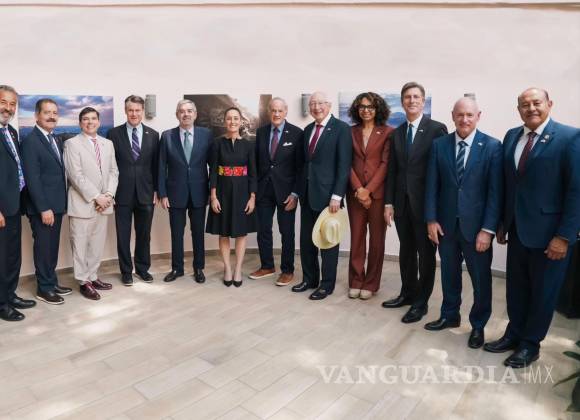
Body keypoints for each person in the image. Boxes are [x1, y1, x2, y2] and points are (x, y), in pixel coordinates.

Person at [484, 88, 580, 368]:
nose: (531, 108)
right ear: (518, 110)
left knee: (543, 293)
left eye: (536, 103)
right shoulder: (512, 136)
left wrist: (564, 236)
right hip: (517, 231)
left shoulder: (570, 137)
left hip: (551, 237)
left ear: (550, 104)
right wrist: (502, 222)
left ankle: (530, 344)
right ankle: (513, 334)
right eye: (524, 105)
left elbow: (576, 192)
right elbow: (509, 183)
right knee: (516, 289)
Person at [423, 97, 503, 349]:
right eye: (460, 115)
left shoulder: (492, 146)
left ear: (478, 116)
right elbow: (432, 186)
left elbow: (495, 193)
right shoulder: (439, 145)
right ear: (452, 116)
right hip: (445, 225)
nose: (464, 119)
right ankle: (449, 315)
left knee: (480, 279)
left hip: (477, 229)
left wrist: (488, 230)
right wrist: (431, 219)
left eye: (469, 115)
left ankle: (478, 325)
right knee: (448, 273)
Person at [383, 82, 448, 323]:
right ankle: (407, 293)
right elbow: (393, 170)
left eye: (416, 97)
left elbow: (442, 171)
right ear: (402, 102)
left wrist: (436, 209)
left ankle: (421, 303)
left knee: (426, 255)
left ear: (423, 101)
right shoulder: (397, 132)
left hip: (425, 205)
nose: (411, 101)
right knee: (406, 251)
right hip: (401, 204)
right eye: (407, 97)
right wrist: (388, 203)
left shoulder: (436, 129)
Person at [292, 91, 352, 300]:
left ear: (329, 105)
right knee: (307, 240)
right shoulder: (308, 130)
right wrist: (297, 192)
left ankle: (327, 285)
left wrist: (337, 196)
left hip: (329, 198)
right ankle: (309, 279)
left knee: (328, 241)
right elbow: (303, 165)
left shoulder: (342, 129)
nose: (316, 107)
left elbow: (344, 166)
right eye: (312, 104)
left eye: (320, 103)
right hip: (307, 194)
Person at [64, 107, 119, 300]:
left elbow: (113, 171)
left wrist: (109, 195)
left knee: (96, 244)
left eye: (93, 118)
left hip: (104, 203)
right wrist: (97, 196)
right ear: (80, 123)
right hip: (83, 203)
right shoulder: (72, 144)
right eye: (85, 119)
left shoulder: (108, 144)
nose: (90, 122)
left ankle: (93, 276)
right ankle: (83, 281)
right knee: (80, 245)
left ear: (99, 121)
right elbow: (75, 175)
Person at [21, 98, 72, 304]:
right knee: (43, 249)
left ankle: (51, 281)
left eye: (54, 113)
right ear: (37, 115)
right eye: (47, 112)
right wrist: (43, 208)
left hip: (56, 206)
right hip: (43, 208)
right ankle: (44, 288)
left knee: (51, 247)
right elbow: (32, 179)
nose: (51, 116)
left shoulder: (54, 139)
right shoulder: (31, 142)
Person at [249, 97, 304, 286]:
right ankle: (267, 266)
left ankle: (287, 270)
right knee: (263, 230)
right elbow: (256, 164)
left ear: (286, 111)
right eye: (273, 110)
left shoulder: (297, 133)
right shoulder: (261, 132)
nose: (277, 114)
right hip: (263, 190)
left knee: (286, 232)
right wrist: (253, 191)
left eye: (280, 110)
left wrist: (295, 194)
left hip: (287, 193)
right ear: (269, 112)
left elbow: (301, 167)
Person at [107, 95, 159, 286]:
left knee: (144, 234)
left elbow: (157, 166)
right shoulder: (113, 134)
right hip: (122, 193)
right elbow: (109, 166)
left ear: (142, 111)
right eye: (131, 110)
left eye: (137, 110)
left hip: (146, 193)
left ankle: (143, 269)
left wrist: (157, 191)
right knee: (123, 235)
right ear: (125, 111)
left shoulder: (153, 135)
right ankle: (126, 271)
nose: (134, 114)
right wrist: (110, 192)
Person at [158, 99, 212, 284]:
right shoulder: (167, 136)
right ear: (177, 115)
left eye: (189, 111)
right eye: (182, 111)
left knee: (197, 233)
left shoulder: (206, 135)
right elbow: (161, 167)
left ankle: (199, 268)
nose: (186, 114)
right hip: (175, 193)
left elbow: (213, 165)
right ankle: (177, 268)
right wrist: (163, 194)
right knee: (176, 233)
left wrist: (212, 192)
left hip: (199, 192)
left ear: (195, 114)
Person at [347, 92, 393, 300]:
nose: (366, 110)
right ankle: (356, 280)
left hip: (378, 196)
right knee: (356, 239)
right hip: (355, 194)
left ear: (378, 109)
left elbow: (385, 164)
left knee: (376, 242)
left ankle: (371, 283)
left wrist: (369, 190)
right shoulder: (349, 132)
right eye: (362, 106)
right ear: (357, 109)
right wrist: (359, 189)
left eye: (371, 107)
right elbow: (346, 163)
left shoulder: (388, 132)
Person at [206, 107, 257, 287]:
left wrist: (252, 197)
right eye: (229, 118)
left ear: (241, 121)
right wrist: (213, 197)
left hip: (243, 192)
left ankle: (238, 269)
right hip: (222, 191)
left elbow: (253, 173)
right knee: (224, 232)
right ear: (224, 121)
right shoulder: (217, 144)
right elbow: (213, 171)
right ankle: (227, 268)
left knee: (241, 233)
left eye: (236, 118)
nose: (232, 122)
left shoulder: (249, 145)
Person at [0, 85, 36, 321]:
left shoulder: (10, 131)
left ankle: (9, 295)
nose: (8, 108)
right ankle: (1, 304)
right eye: (4, 102)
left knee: (12, 255)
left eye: (13, 104)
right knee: (2, 258)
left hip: (14, 204)